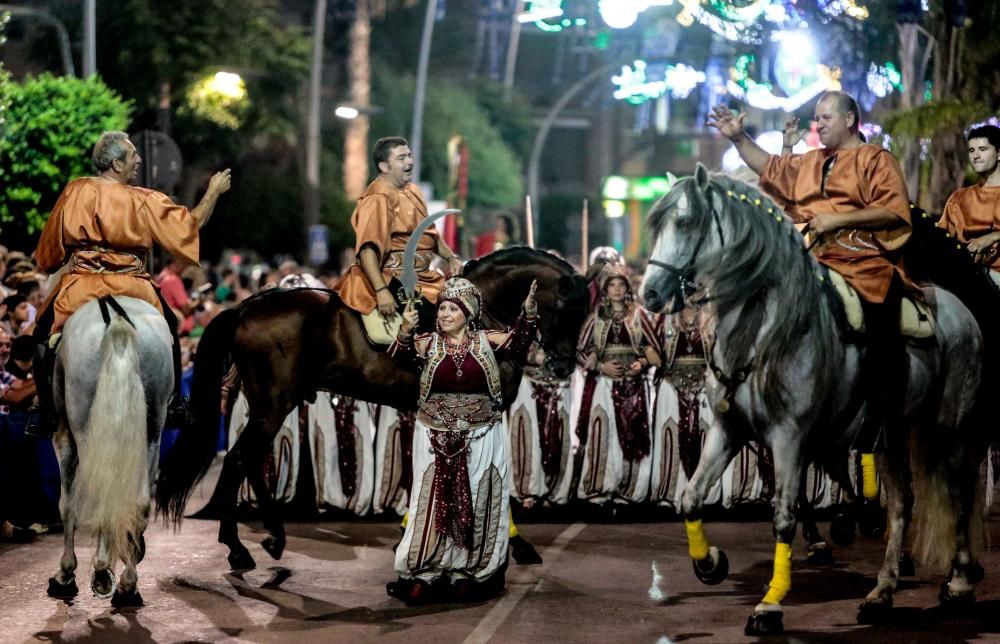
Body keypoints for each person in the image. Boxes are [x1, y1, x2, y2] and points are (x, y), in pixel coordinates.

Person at [708, 92, 912, 456]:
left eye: (825, 118)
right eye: (816, 118)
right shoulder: (809, 161)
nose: (817, 125)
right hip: (808, 261)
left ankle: (882, 419)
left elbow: (893, 211)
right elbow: (769, 167)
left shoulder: (876, 159)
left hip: (863, 264)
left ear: (850, 119)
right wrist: (738, 139)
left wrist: (839, 219)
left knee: (883, 327)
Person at [29, 130, 232, 437]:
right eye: (132, 155)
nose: (138, 160)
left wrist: (50, 262)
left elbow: (48, 255)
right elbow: (190, 225)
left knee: (42, 333)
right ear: (115, 163)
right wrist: (213, 192)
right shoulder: (144, 199)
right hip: (135, 286)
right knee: (171, 333)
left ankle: (44, 413)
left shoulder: (76, 191)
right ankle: (175, 403)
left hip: (81, 286)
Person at [385, 277, 538, 604]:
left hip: (481, 434)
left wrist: (528, 312)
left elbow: (520, 343)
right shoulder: (428, 342)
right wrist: (405, 329)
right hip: (432, 433)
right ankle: (424, 571)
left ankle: (467, 570)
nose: (444, 314)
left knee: (477, 499)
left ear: (468, 313)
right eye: (441, 308)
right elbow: (398, 356)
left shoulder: (486, 340)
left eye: (452, 308)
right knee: (431, 499)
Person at [334, 137, 463, 331]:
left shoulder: (414, 191)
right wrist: (381, 290)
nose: (409, 162)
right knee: (441, 321)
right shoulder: (377, 197)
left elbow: (431, 234)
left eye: (410, 156)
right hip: (391, 277)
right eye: (401, 158)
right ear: (384, 166)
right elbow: (367, 250)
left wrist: (451, 257)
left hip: (424, 277)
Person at [574, 265, 659, 507]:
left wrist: (641, 363)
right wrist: (601, 366)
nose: (617, 289)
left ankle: (631, 490)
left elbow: (655, 348)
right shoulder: (596, 315)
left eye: (621, 284)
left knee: (633, 434)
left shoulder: (639, 314)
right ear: (605, 289)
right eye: (612, 285)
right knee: (603, 432)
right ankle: (598, 488)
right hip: (603, 383)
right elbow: (579, 350)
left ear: (627, 287)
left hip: (633, 384)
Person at [937, 125, 1000, 267]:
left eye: (983, 149)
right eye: (971, 150)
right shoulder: (959, 199)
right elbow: (939, 239)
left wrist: (993, 236)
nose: (975, 156)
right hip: (966, 276)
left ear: (999, 153)